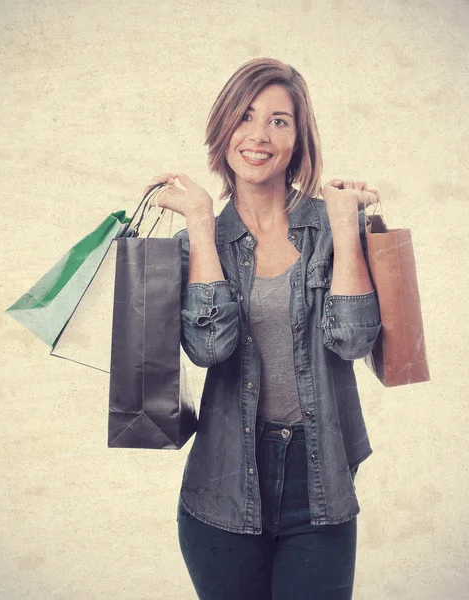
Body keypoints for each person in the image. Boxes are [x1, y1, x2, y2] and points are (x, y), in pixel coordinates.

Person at [145, 57, 382, 600]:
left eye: (279, 120)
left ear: (298, 138)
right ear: (223, 128)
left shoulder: (333, 224)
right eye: (246, 117)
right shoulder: (196, 242)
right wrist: (203, 227)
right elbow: (210, 348)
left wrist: (347, 231)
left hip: (320, 485)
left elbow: (352, 340)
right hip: (223, 487)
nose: (259, 135)